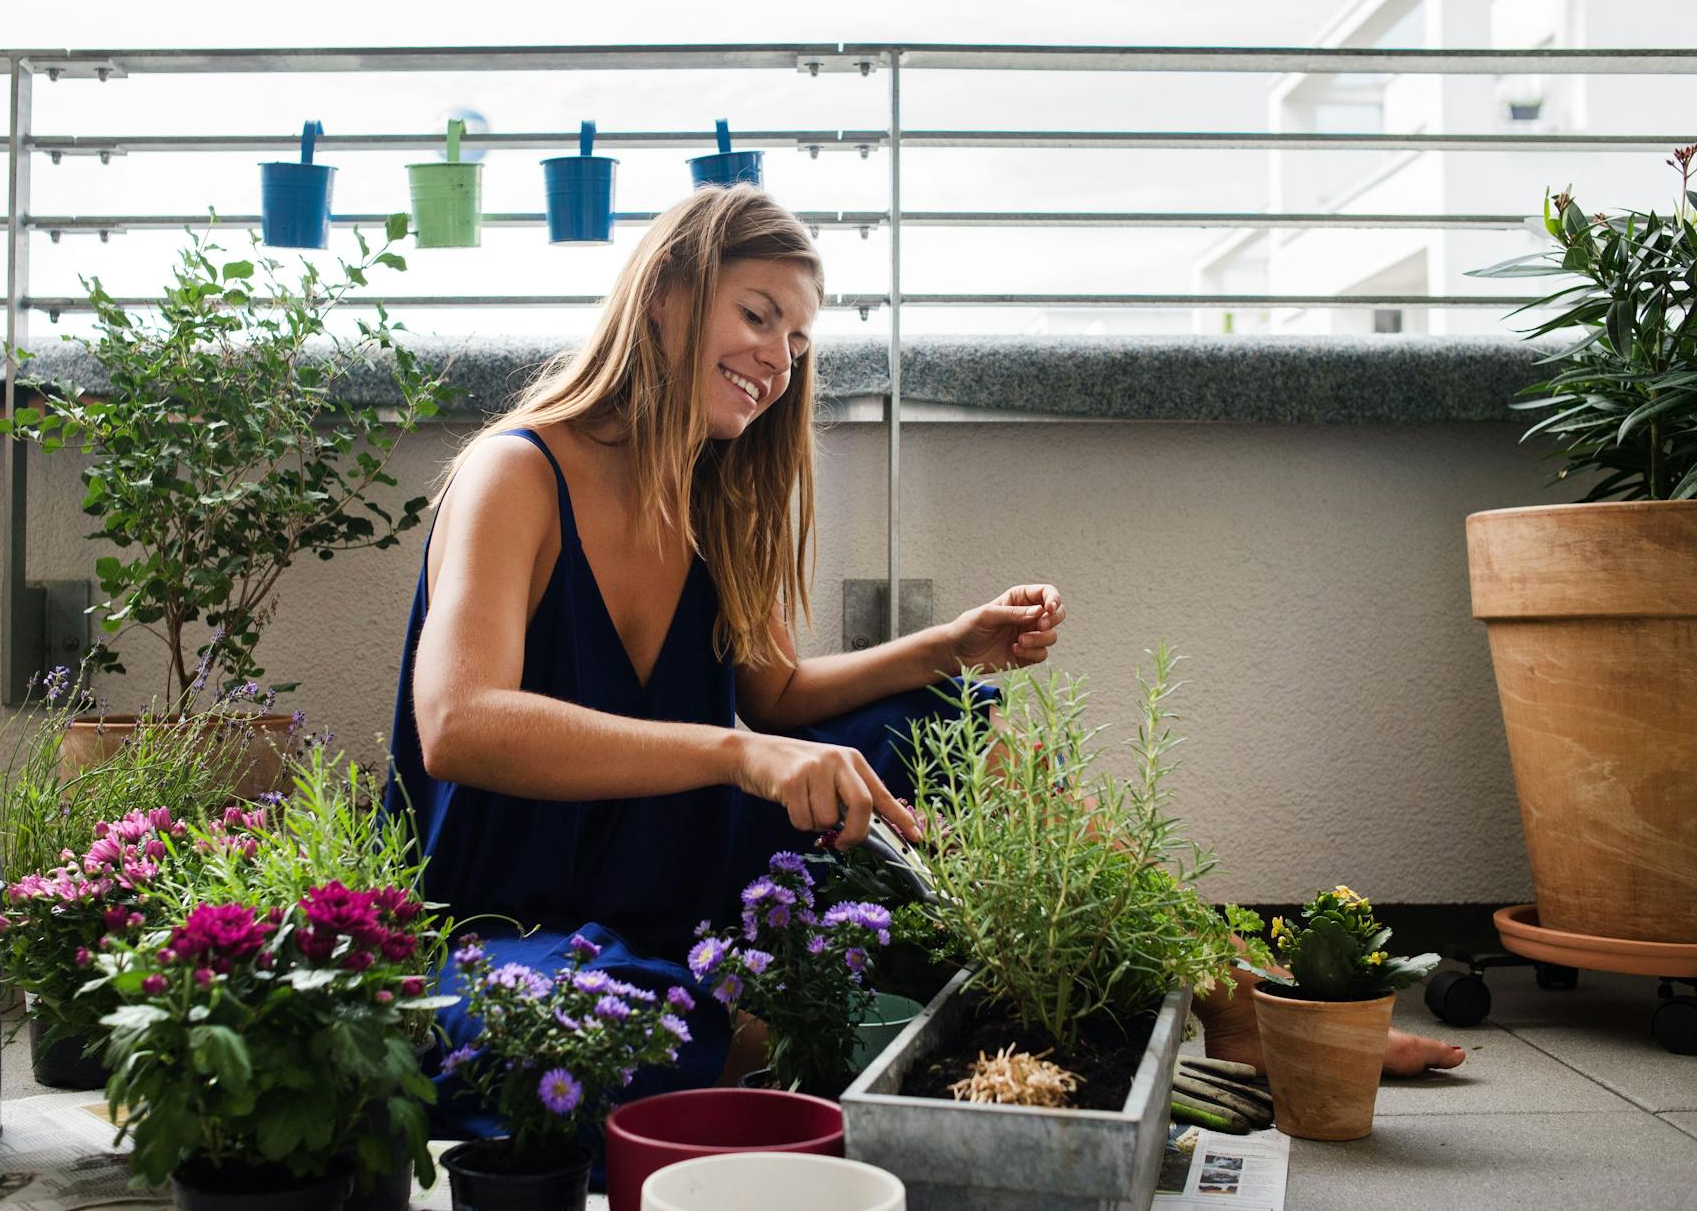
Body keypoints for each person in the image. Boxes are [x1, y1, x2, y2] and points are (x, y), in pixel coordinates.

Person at [386, 186, 1454, 1139]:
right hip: (515, 910)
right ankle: (801, 1040)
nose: (776, 358)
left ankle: (1224, 998)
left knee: (937, 714)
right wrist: (739, 755)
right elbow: (461, 721)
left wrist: (945, 646)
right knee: (558, 1038)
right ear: (663, 292)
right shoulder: (513, 472)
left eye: (797, 340)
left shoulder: (714, 494)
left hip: (670, 861)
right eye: (757, 316)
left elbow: (771, 695)